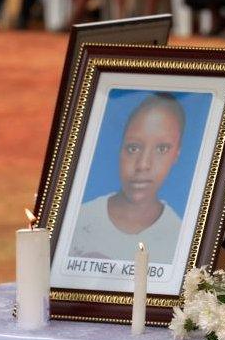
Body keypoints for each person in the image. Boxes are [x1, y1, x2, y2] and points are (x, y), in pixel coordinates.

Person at [70, 93, 186, 264]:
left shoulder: (182, 239)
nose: (143, 164)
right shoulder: (77, 221)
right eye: (133, 148)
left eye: (162, 149)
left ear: (177, 154)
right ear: (120, 149)